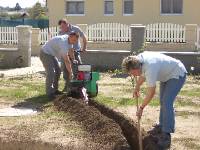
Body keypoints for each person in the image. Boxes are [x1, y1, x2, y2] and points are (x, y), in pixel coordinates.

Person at [121, 52, 187, 149]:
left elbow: (151, 93)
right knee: (162, 101)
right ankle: (161, 126)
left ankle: (166, 136)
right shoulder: (139, 61)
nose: (132, 75)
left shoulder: (150, 67)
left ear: (136, 68)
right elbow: (142, 75)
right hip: (167, 75)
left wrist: (141, 108)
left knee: (166, 102)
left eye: (132, 72)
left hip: (177, 73)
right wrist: (137, 87)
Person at [40, 32, 79, 99]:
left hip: (52, 54)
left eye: (76, 40)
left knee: (58, 71)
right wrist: (70, 72)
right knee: (51, 72)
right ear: (70, 36)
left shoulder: (69, 40)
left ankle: (55, 90)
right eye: (74, 40)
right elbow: (66, 60)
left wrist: (73, 59)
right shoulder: (63, 43)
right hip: (45, 53)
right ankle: (49, 93)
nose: (74, 42)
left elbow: (71, 50)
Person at [58, 18, 88, 92]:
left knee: (78, 68)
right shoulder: (61, 32)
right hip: (65, 53)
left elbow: (84, 37)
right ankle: (67, 86)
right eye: (61, 27)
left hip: (75, 51)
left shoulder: (75, 29)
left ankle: (80, 86)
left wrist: (84, 47)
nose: (63, 29)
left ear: (67, 24)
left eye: (64, 27)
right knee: (65, 70)